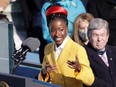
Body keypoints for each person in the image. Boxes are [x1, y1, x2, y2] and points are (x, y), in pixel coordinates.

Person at [38, 5, 94, 87]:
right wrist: (44, 71)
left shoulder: (78, 49)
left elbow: (90, 80)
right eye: (53, 30)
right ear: (49, 31)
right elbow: (42, 79)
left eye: (61, 29)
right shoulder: (48, 48)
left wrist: (79, 69)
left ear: (67, 29)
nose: (57, 34)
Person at [84, 18, 116, 87]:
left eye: (102, 35)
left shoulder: (114, 51)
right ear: (89, 37)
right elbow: (91, 80)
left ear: (107, 36)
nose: (99, 39)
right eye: (95, 35)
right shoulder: (84, 54)